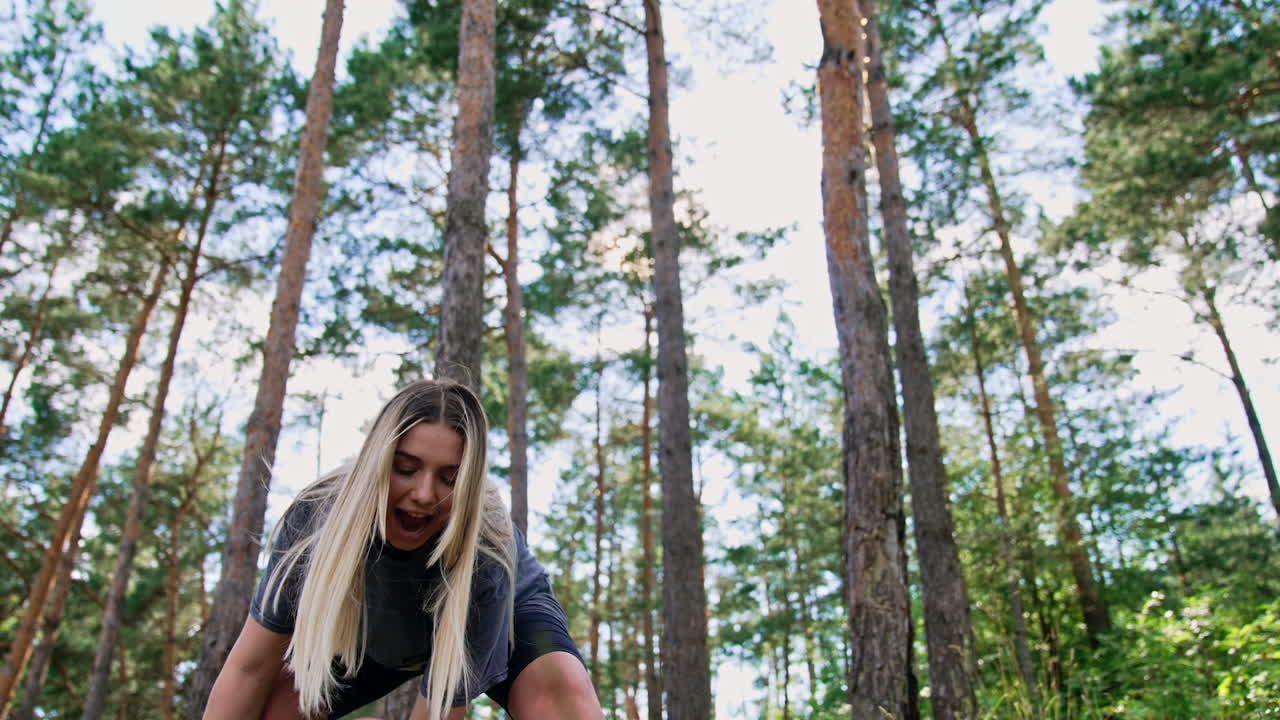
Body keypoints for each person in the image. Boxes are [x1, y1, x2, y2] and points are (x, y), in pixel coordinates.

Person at [204, 379, 602, 720]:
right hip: (371, 627)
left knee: (562, 697)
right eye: (406, 468)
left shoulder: (487, 549)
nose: (425, 494)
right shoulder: (315, 520)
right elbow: (249, 668)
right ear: (377, 461)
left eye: (449, 478)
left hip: (501, 610)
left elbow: (441, 710)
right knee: (274, 709)